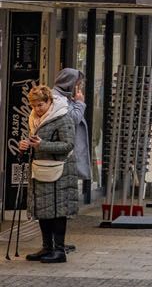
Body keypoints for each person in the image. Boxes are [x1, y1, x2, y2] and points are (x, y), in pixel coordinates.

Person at [22, 83, 77, 263]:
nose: (37, 109)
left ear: (49, 102)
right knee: (43, 209)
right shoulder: (34, 118)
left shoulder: (63, 117)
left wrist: (41, 145)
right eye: (33, 106)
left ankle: (59, 250)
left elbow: (68, 145)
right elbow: (36, 141)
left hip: (59, 170)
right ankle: (47, 247)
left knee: (57, 209)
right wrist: (26, 146)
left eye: (40, 105)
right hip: (40, 168)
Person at [53, 69, 91, 210]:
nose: (79, 88)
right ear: (70, 83)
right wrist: (80, 103)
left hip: (66, 150)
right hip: (62, 150)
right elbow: (73, 119)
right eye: (78, 84)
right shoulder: (57, 98)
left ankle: (64, 210)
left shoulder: (65, 98)